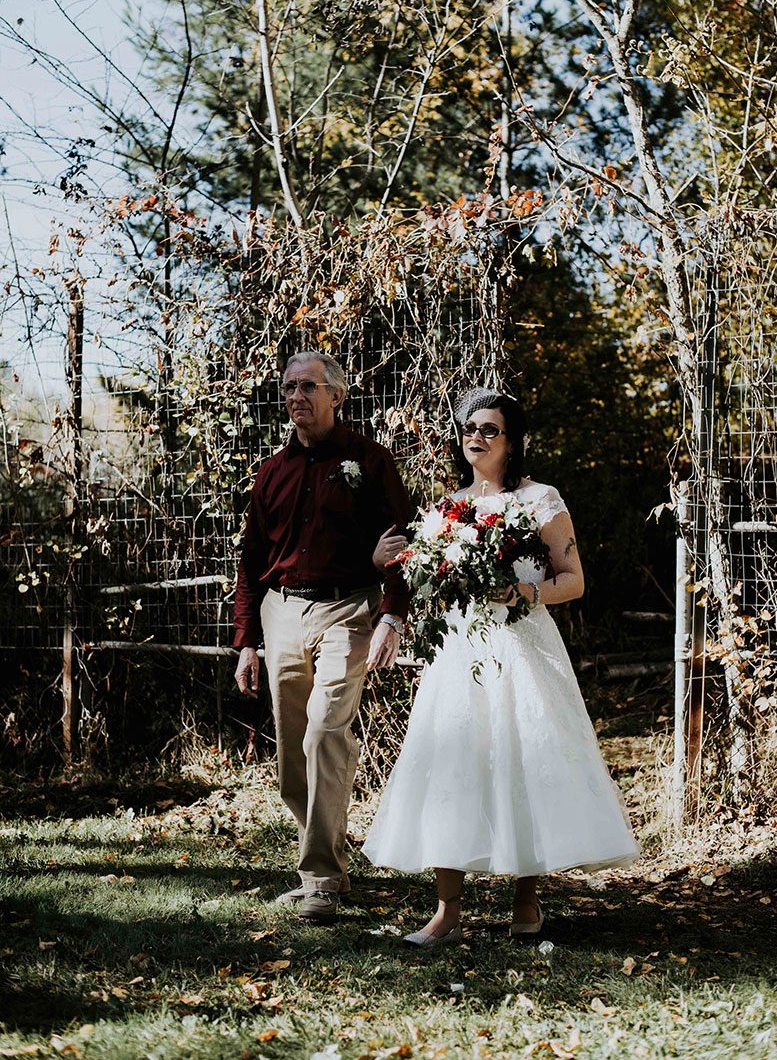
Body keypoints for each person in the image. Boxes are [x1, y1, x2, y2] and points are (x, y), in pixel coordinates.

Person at [362, 387, 639, 945]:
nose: (476, 438)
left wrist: (524, 594)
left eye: (490, 429)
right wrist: (387, 565)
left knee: (523, 759)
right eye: (469, 428)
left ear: (512, 442)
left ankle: (527, 903)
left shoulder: (541, 499)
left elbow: (574, 580)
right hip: (461, 651)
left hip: (521, 643)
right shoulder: (447, 508)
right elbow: (422, 582)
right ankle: (446, 913)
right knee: (453, 764)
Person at [233, 352, 410, 923]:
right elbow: (251, 559)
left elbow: (402, 541)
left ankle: (321, 880)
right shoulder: (272, 472)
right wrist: (246, 641)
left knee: (325, 731)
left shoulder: (370, 461)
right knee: (291, 756)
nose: (295, 397)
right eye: (288, 388)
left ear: (337, 395)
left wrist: (393, 614)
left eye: (308, 387)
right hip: (281, 612)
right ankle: (326, 860)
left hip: (350, 610)